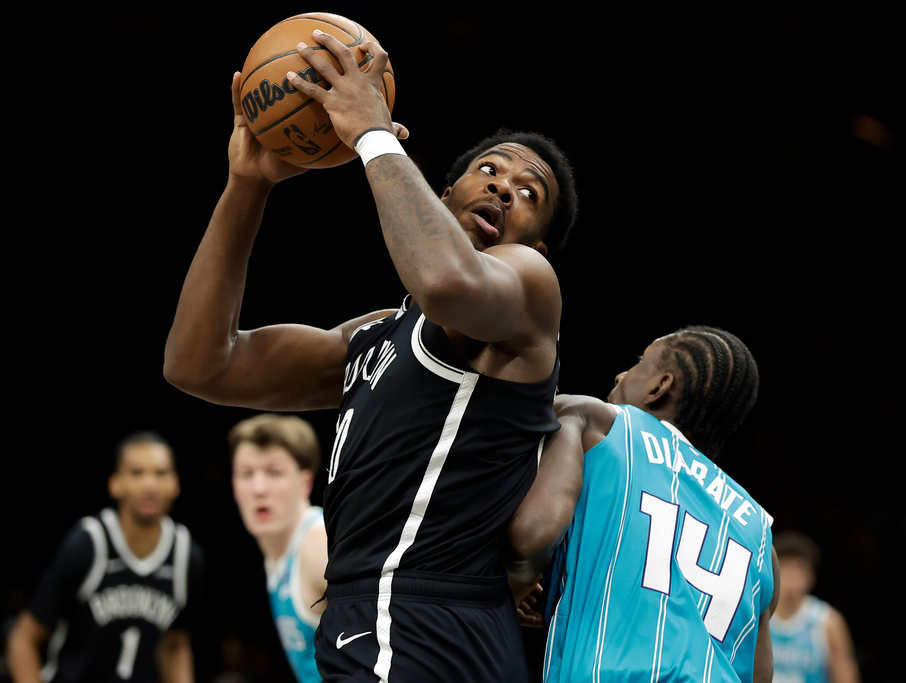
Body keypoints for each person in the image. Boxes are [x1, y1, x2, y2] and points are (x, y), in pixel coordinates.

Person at [162, 28, 579, 683]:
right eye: (489, 169)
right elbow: (200, 364)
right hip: (392, 618)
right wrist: (247, 184)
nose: (502, 188)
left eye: (531, 193)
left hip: (420, 615)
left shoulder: (527, 284)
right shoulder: (378, 335)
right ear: (441, 198)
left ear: (540, 247)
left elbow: (445, 282)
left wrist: (370, 135)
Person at [504, 326, 779, 683]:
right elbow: (760, 676)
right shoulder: (761, 534)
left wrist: (512, 586)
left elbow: (532, 536)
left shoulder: (597, 421)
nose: (621, 374)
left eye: (639, 362)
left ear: (658, 386)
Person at [5, 432, 206, 683]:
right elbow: (23, 639)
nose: (150, 485)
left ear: (175, 483)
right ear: (115, 484)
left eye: (160, 473)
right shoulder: (88, 543)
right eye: (137, 473)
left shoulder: (186, 554)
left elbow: (175, 644)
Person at [227, 412, 328, 683]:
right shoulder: (275, 553)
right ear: (234, 485)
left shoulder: (318, 547)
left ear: (305, 483)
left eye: (274, 473)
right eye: (247, 474)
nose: (259, 488)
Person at [769, 531, 861, 683]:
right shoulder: (757, 615)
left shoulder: (828, 622)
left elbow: (845, 676)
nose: (792, 579)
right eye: (786, 570)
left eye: (798, 571)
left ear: (811, 577)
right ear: (773, 572)